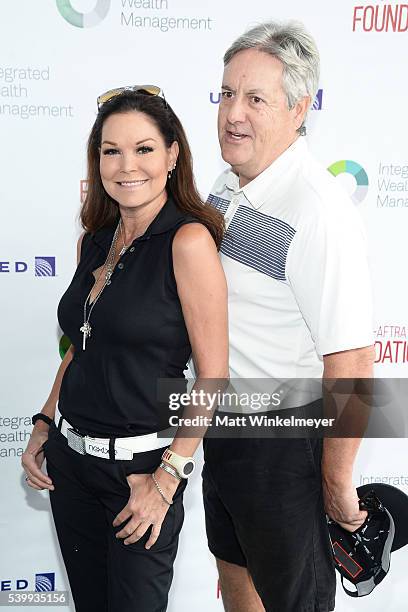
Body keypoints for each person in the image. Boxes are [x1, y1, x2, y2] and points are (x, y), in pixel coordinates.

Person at [21, 86, 228, 612]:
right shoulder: (95, 237)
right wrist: (45, 422)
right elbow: (82, 347)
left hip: (141, 473)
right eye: (111, 150)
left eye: (143, 148)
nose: (126, 165)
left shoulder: (187, 242)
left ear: (172, 154)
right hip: (72, 466)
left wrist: (166, 480)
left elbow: (213, 375)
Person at [203, 21, 375, 612]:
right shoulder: (227, 186)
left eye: (255, 99)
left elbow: (351, 358)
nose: (233, 113)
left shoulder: (317, 209)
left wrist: (334, 479)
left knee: (295, 601)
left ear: (300, 109)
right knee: (235, 577)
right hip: (226, 426)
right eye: (227, 94)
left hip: (283, 443)